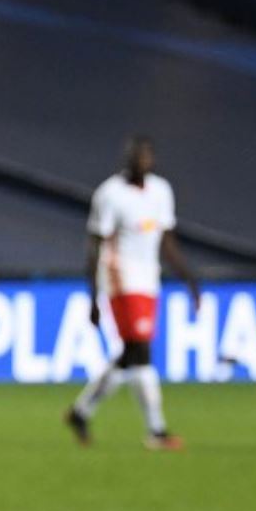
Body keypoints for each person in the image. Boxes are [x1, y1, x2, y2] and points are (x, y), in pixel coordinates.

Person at [65, 136, 201, 451]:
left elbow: (166, 239)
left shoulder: (161, 191)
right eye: (135, 156)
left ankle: (80, 412)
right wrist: (93, 296)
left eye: (146, 156)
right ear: (126, 159)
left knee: (129, 356)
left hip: (148, 280)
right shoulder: (109, 195)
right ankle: (156, 430)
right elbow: (95, 244)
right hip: (120, 278)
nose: (141, 161)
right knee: (141, 352)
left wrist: (188, 278)